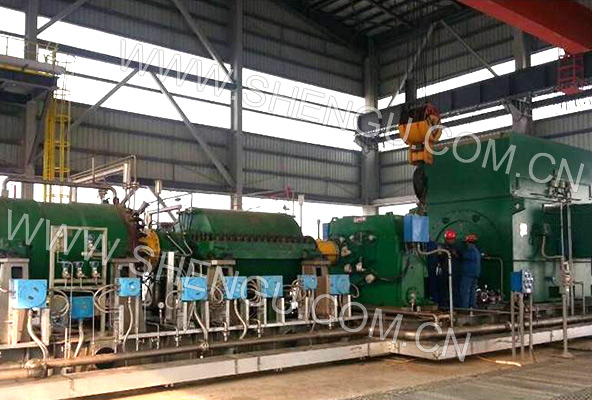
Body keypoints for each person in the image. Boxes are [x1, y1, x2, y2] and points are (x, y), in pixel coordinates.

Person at [459, 234, 482, 309]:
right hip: (475, 274)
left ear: (468, 242)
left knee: (465, 291)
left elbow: (463, 255)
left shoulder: (470, 251)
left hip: (467, 274)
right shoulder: (476, 251)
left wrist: (457, 253)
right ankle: (472, 306)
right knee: (472, 291)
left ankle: (464, 308)